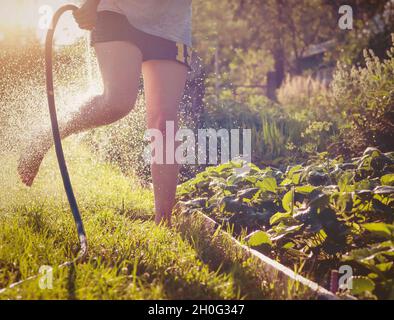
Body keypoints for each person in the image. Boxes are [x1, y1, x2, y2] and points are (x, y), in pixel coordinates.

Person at [18, 0, 193, 226]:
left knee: (164, 124)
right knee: (117, 102)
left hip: (171, 24)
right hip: (117, 11)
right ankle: (46, 136)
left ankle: (163, 222)